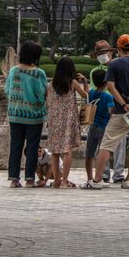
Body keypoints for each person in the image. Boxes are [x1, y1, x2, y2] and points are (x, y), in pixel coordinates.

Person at [86, 34, 129, 189]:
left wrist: (123, 104)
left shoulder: (115, 64)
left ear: (118, 48)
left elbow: (110, 85)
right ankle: (128, 180)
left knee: (106, 144)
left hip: (123, 113)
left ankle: (97, 181)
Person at [4, 41, 47, 188]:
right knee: (33, 147)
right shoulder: (38, 73)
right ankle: (29, 179)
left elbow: (7, 90)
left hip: (15, 114)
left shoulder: (13, 71)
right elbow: (41, 94)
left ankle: (14, 179)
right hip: (34, 116)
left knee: (15, 146)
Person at [45, 56, 88, 189]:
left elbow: (48, 101)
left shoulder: (51, 84)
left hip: (54, 120)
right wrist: (85, 82)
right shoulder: (72, 83)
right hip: (69, 120)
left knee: (55, 151)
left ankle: (56, 180)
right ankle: (64, 181)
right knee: (67, 150)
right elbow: (86, 96)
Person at [92, 39, 127, 182]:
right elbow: (96, 90)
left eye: (104, 52)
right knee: (102, 144)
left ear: (110, 52)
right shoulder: (95, 71)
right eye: (99, 53)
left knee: (121, 143)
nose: (102, 55)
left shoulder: (120, 66)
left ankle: (118, 174)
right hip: (103, 111)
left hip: (119, 108)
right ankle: (104, 173)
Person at [81, 68, 116, 188]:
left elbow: (86, 92)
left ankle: (90, 178)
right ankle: (100, 177)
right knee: (103, 152)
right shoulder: (108, 97)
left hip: (92, 126)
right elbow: (111, 111)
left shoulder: (91, 93)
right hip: (104, 127)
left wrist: (85, 82)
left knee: (89, 153)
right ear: (106, 82)